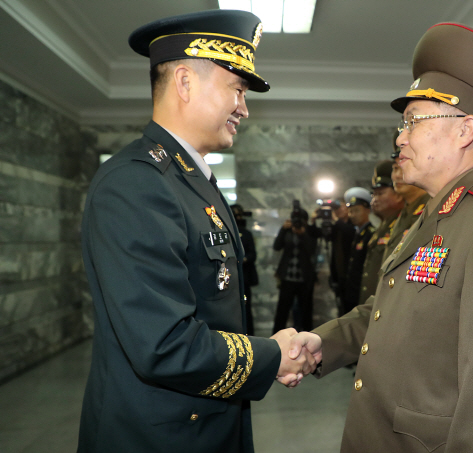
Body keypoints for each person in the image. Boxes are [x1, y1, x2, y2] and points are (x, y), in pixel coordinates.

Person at [288, 22, 473, 452]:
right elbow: (389, 313)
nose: (400, 137)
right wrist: (322, 343)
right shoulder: (435, 215)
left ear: (464, 130)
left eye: (413, 121)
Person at [77, 10, 315, 453]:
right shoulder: (136, 183)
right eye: (237, 90)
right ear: (185, 82)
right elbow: (164, 345)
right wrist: (273, 355)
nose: (244, 108)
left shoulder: (191, 179)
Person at [359, 160, 404, 305]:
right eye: (373, 195)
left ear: (397, 194)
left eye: (380, 194)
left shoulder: (404, 224)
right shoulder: (383, 226)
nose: (374, 200)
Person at [382, 132, 431, 262]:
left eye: (403, 166)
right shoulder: (404, 211)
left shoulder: (432, 207)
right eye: (395, 168)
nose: (397, 176)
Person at [272, 209, 317, 334]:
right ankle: (276, 336)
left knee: (306, 311)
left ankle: (308, 338)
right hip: (287, 277)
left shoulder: (310, 232)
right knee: (282, 310)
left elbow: (311, 251)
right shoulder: (287, 230)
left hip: (305, 278)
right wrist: (282, 229)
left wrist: (303, 234)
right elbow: (276, 246)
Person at [342, 187, 376, 314]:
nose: (352, 215)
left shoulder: (371, 234)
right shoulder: (357, 233)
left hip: (362, 293)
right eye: (350, 211)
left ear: (367, 210)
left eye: (356, 211)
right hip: (352, 292)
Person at [231, 204, 259, 336]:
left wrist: (243, 259)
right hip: (231, 278)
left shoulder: (246, 234)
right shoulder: (227, 232)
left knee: (246, 308)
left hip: (245, 277)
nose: (238, 218)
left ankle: (249, 335)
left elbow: (252, 254)